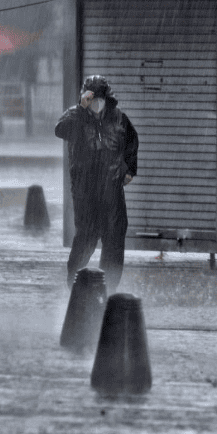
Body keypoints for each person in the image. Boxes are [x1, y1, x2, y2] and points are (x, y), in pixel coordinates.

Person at [55, 75, 139, 292]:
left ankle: (108, 290)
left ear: (106, 98)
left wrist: (129, 169)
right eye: (91, 98)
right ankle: (75, 288)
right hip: (86, 193)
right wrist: (81, 110)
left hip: (112, 191)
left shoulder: (119, 118)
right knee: (85, 239)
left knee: (114, 240)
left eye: (99, 98)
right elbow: (60, 130)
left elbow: (131, 142)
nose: (96, 103)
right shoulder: (75, 117)